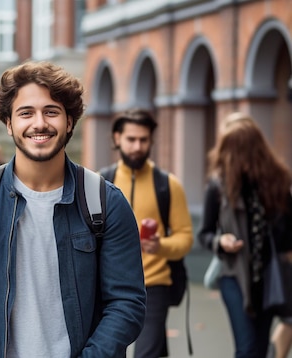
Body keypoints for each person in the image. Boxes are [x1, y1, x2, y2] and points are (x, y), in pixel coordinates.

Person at [0, 61, 146, 357]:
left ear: (69, 122)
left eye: (51, 111)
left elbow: (126, 302)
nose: (39, 123)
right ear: (9, 123)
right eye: (26, 112)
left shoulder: (106, 203)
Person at [198, 113, 292, 358]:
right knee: (247, 348)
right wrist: (221, 241)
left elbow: (287, 237)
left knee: (259, 349)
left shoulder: (278, 182)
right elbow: (205, 234)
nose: (224, 155)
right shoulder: (218, 186)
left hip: (270, 278)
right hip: (234, 276)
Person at [102, 109, 193, 358]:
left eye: (144, 140)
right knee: (107, 351)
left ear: (152, 141)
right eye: (131, 139)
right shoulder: (100, 183)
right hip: (105, 285)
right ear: (117, 138)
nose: (137, 147)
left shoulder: (167, 184)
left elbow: (185, 237)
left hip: (153, 286)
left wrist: (160, 246)